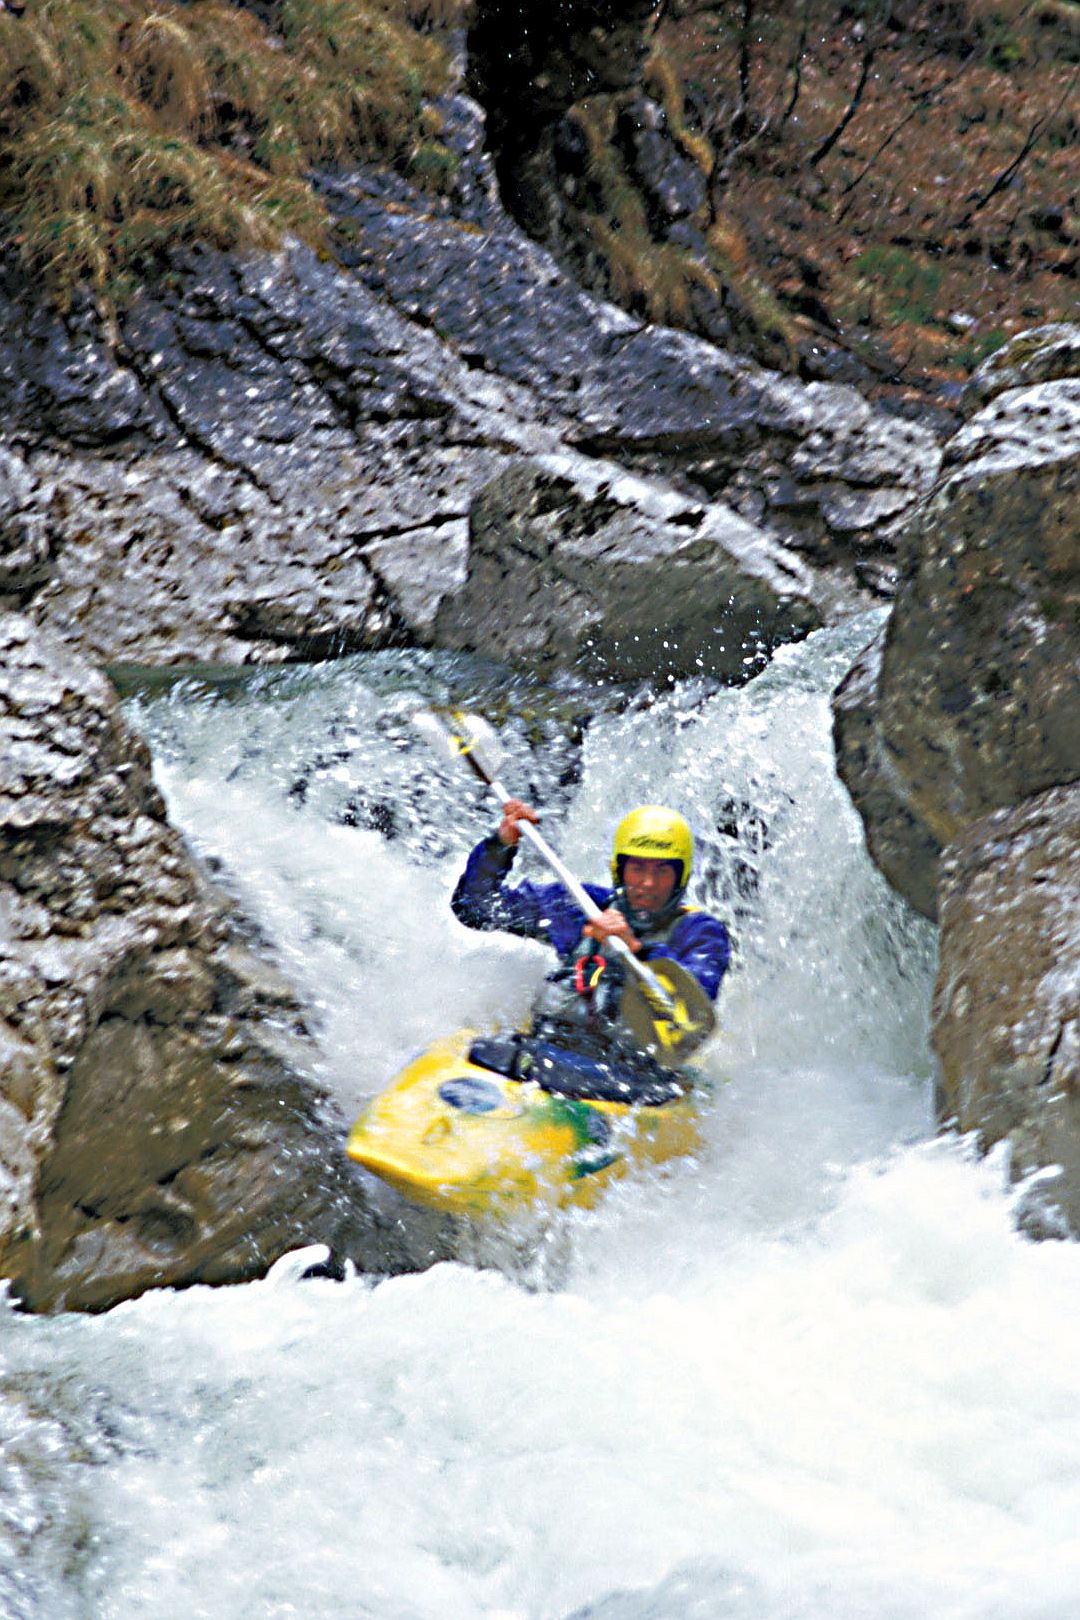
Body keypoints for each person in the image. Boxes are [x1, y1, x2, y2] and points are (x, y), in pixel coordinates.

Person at [451, 801, 731, 1096]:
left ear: (681, 876)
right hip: (549, 1053)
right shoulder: (582, 907)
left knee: (522, 1059)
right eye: (637, 868)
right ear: (619, 870)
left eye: (663, 871)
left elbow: (691, 1009)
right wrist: (501, 845)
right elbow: (476, 908)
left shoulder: (701, 933)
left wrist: (636, 949)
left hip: (631, 1079)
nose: (648, 883)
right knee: (489, 1049)